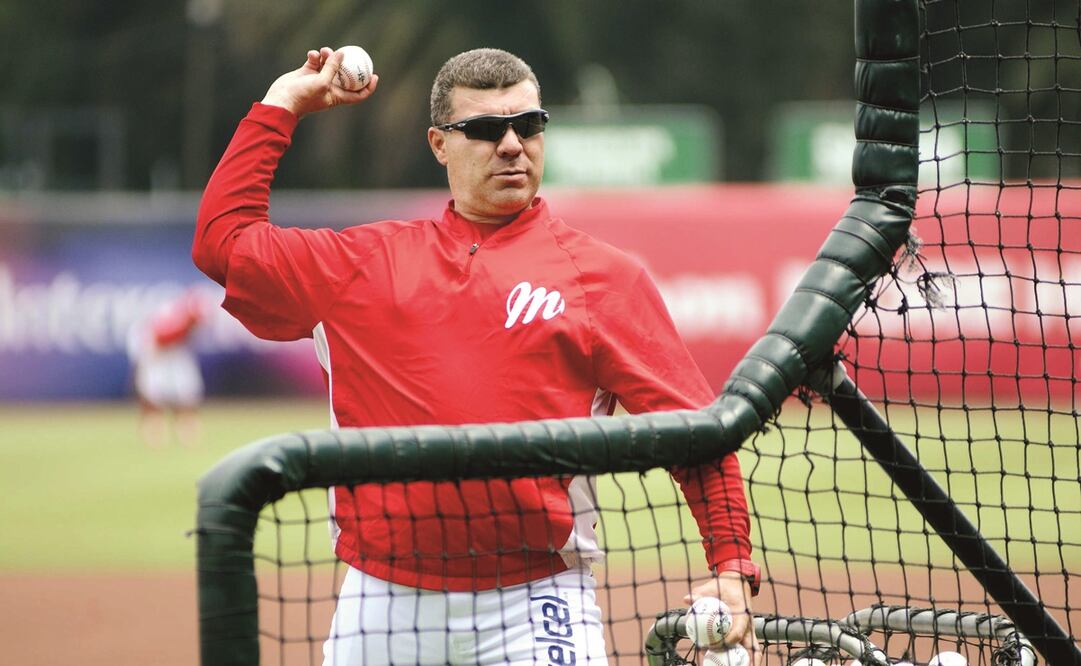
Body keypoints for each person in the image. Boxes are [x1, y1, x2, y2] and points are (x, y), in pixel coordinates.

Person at [193, 46, 760, 665]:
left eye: (529, 125)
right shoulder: (361, 265)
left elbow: (697, 436)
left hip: (537, 600)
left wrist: (731, 566)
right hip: (383, 604)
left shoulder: (605, 279)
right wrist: (283, 105)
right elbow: (223, 243)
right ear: (439, 144)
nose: (512, 144)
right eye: (486, 130)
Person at [126, 288, 207, 448]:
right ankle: (155, 440)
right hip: (156, 357)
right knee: (154, 402)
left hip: (174, 357)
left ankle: (188, 438)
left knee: (186, 400)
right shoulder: (173, 320)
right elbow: (158, 340)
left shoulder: (184, 324)